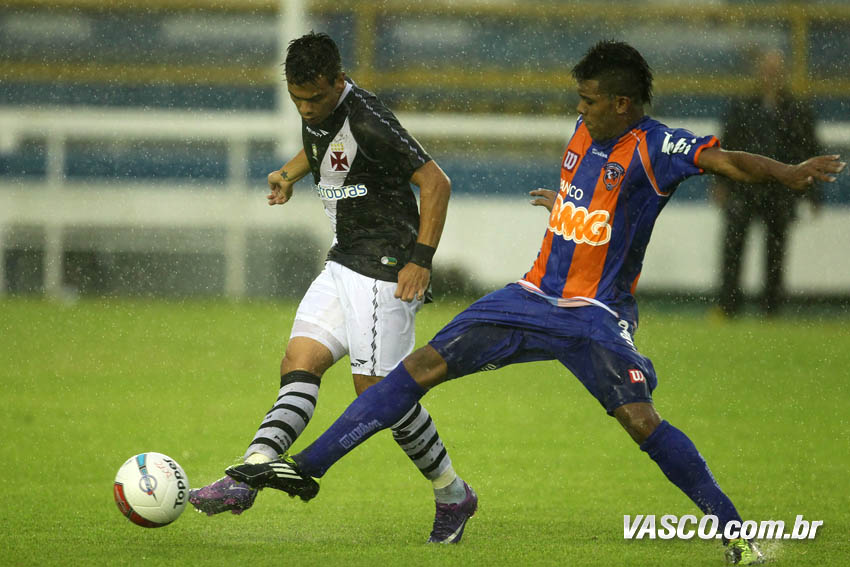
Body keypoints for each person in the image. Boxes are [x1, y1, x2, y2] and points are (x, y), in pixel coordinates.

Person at [225, 41, 844, 564]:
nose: (580, 109)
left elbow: (728, 161)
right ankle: (306, 468)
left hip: (593, 314)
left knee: (639, 420)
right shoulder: (585, 133)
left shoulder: (656, 146)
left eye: (590, 101)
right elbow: (592, 193)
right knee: (419, 367)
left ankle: (736, 535)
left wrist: (788, 173)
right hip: (528, 295)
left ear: (621, 103)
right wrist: (566, 204)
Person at [189, 32, 477, 544]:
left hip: (384, 268)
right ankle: (247, 475)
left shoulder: (367, 119)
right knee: (299, 361)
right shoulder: (321, 107)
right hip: (344, 259)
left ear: (338, 81)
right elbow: (325, 146)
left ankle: (453, 494)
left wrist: (421, 261)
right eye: (296, 98)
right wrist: (290, 172)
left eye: (315, 98)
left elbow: (437, 183)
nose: (305, 108)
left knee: (381, 396)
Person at [714, 49, 822, 317]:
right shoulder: (742, 106)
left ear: (783, 74)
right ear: (759, 72)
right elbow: (726, 147)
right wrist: (721, 182)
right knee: (733, 247)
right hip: (743, 187)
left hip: (779, 190)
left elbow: (808, 151)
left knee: (776, 250)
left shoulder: (796, 110)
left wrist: (813, 193)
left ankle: (771, 307)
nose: (771, 75)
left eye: (776, 70)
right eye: (767, 69)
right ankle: (728, 305)